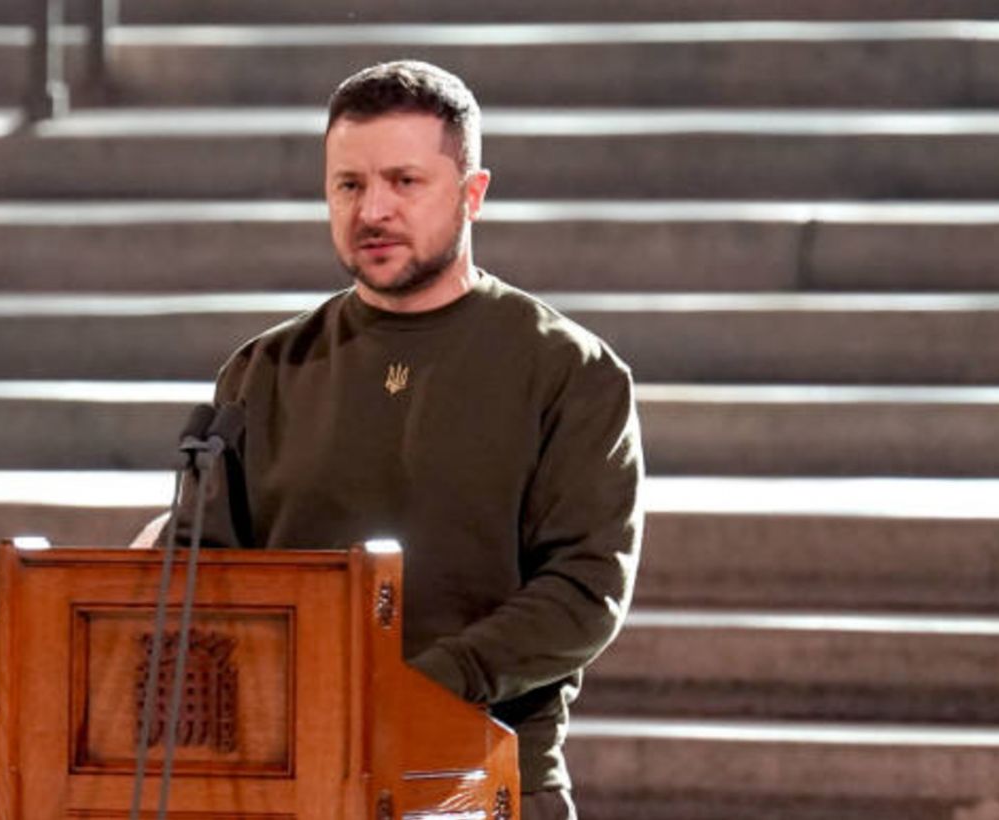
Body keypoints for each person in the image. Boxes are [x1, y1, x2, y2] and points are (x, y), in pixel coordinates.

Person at [145, 60, 643, 820]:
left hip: (479, 779)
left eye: (404, 182)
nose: (372, 210)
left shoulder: (569, 370)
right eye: (348, 185)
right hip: (284, 780)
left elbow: (584, 591)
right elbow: (203, 573)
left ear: (473, 193)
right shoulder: (263, 370)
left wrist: (414, 688)